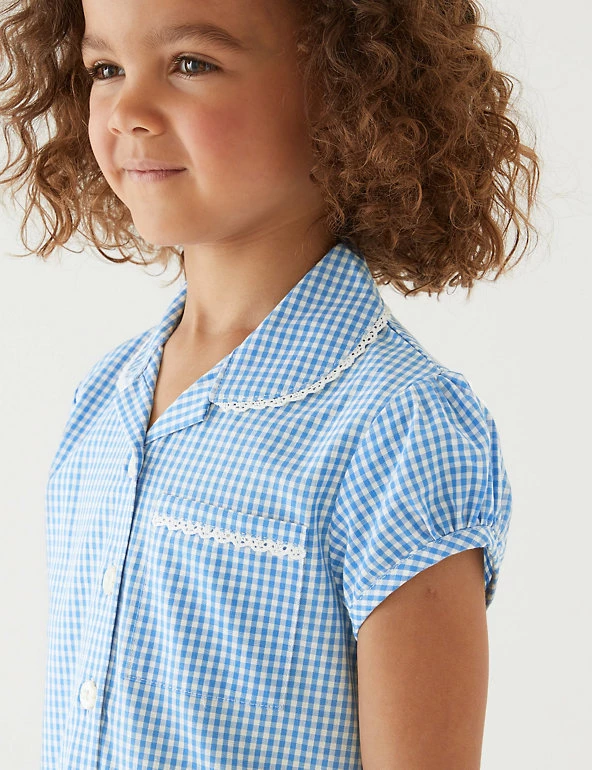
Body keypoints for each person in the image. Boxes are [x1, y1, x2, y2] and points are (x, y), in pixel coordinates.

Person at [0, 0, 540, 767]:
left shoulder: (398, 427)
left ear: (349, 90)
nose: (127, 110)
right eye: (106, 68)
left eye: (191, 64)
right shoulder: (106, 396)